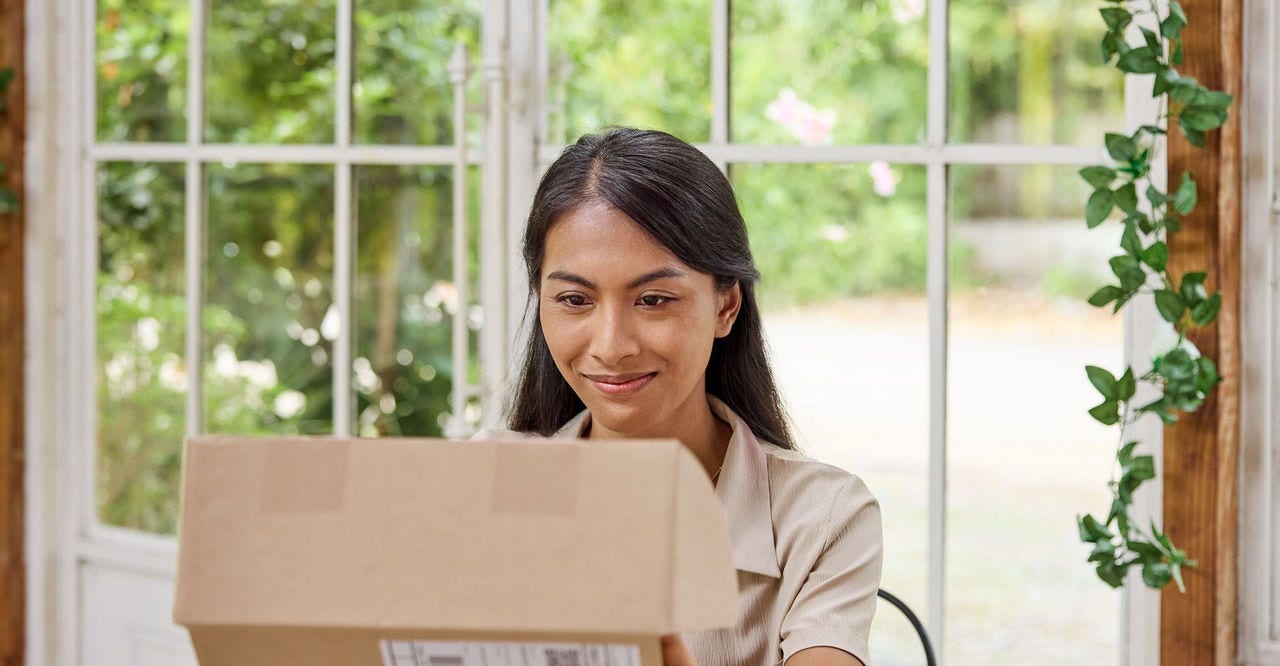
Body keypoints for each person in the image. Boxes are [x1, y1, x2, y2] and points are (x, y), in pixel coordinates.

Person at [499, 127, 882, 665]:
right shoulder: (489, 482)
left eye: (654, 299)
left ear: (726, 306)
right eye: (574, 299)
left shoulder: (820, 516)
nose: (611, 347)